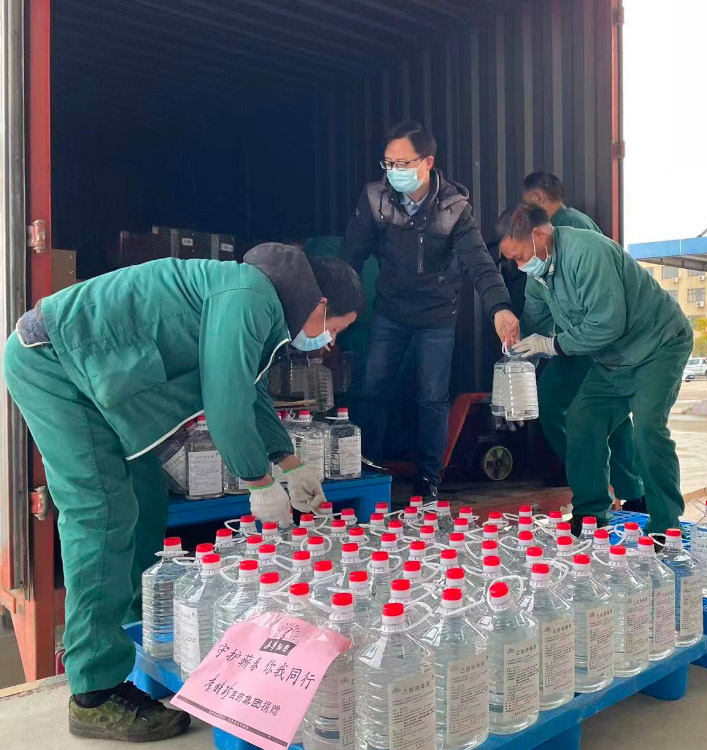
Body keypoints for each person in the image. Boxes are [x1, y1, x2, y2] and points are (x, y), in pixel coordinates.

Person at [3, 244, 364, 740]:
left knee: (147, 499)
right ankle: (94, 691)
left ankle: (134, 627)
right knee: (102, 512)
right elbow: (225, 401)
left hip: (88, 371)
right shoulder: (250, 296)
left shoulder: (262, 302)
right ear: (320, 303)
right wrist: (258, 483)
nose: (328, 341)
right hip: (55, 364)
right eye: (335, 328)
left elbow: (249, 389)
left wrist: (288, 461)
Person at [343, 120, 518, 500]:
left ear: (427, 162)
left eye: (403, 164)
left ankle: (428, 477)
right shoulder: (375, 199)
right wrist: (334, 308)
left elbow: (479, 263)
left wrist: (499, 308)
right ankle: (366, 468)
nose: (394, 172)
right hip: (390, 310)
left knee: (432, 398)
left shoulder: (454, 208)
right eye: (388, 163)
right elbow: (350, 257)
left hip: (437, 316)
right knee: (372, 391)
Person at [497, 203, 692, 534]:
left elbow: (607, 323)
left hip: (658, 345)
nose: (519, 266)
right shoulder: (538, 278)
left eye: (520, 256)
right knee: (582, 419)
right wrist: (516, 357)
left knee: (648, 429)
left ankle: (665, 525)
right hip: (613, 359)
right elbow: (535, 326)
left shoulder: (587, 252)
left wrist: (553, 345)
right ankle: (590, 514)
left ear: (539, 235)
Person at [520, 171, 645, 509]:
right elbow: (540, 305)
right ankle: (620, 486)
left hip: (591, 342)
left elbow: (596, 302)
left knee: (576, 407)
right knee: (603, 414)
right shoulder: (553, 235)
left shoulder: (573, 229)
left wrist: (549, 344)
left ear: (539, 200)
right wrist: (526, 346)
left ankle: (610, 484)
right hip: (572, 341)